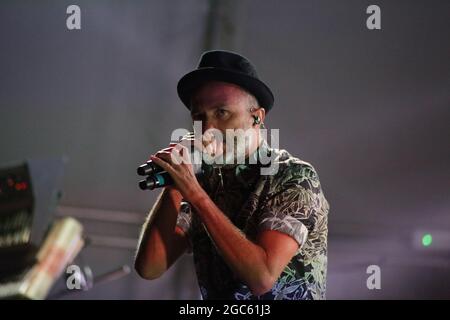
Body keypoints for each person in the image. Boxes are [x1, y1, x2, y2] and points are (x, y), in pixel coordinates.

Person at [134, 50, 330, 300]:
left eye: (221, 112)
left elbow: (262, 278)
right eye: (199, 116)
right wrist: (175, 182)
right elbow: (150, 268)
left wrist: (195, 194)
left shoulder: (293, 176)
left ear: (256, 117)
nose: (207, 128)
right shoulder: (203, 179)